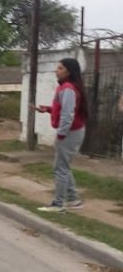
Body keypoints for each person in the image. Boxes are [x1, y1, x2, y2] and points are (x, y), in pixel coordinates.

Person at [33, 57, 88, 213]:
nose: (56, 70)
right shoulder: (66, 87)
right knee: (64, 167)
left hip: (70, 132)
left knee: (60, 168)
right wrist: (48, 110)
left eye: (60, 68)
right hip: (73, 131)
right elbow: (64, 109)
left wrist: (62, 134)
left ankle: (58, 204)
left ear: (69, 72)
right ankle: (74, 200)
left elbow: (68, 115)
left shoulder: (68, 88)